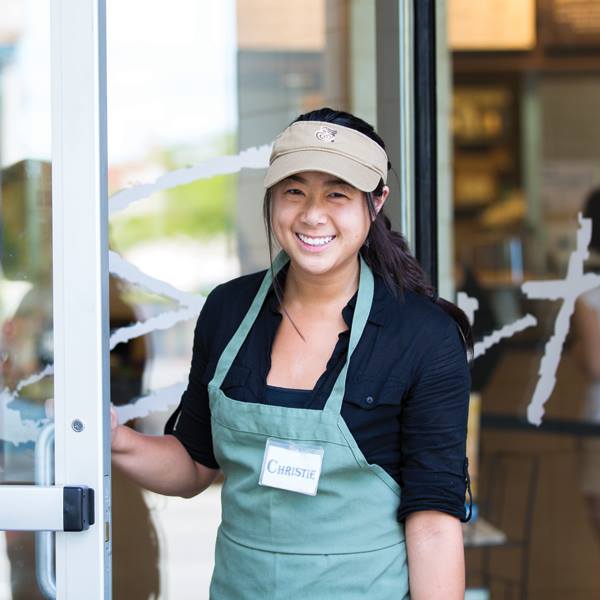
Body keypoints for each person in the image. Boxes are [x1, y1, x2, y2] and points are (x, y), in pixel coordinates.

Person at [111, 107, 473, 599]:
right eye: (294, 190)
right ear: (272, 197)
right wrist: (114, 440)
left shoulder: (422, 337)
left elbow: (433, 523)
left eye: (338, 194)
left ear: (376, 201)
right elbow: (195, 464)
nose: (312, 214)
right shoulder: (229, 310)